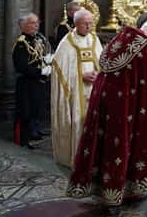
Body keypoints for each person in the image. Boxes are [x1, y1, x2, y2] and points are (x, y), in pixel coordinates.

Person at [66, 21, 147, 206]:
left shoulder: (123, 37)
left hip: (106, 102)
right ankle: (126, 191)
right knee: (125, 144)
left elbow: (135, 70)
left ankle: (103, 189)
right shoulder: (144, 46)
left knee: (107, 144)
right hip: (126, 106)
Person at [51, 9, 103, 168]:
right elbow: (59, 71)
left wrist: (98, 74)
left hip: (94, 91)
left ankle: (95, 157)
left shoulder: (95, 40)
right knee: (79, 124)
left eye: (90, 23)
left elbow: (102, 63)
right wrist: (80, 76)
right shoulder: (67, 43)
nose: (89, 27)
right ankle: (78, 158)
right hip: (76, 94)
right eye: (85, 24)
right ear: (76, 24)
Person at [12, 13, 52, 149]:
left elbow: (39, 56)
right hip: (26, 81)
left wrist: (46, 61)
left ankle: (34, 131)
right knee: (26, 110)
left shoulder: (37, 39)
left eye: (37, 22)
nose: (36, 25)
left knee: (37, 108)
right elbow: (21, 66)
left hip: (37, 81)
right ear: (24, 26)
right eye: (33, 23)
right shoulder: (21, 43)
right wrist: (39, 71)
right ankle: (23, 138)